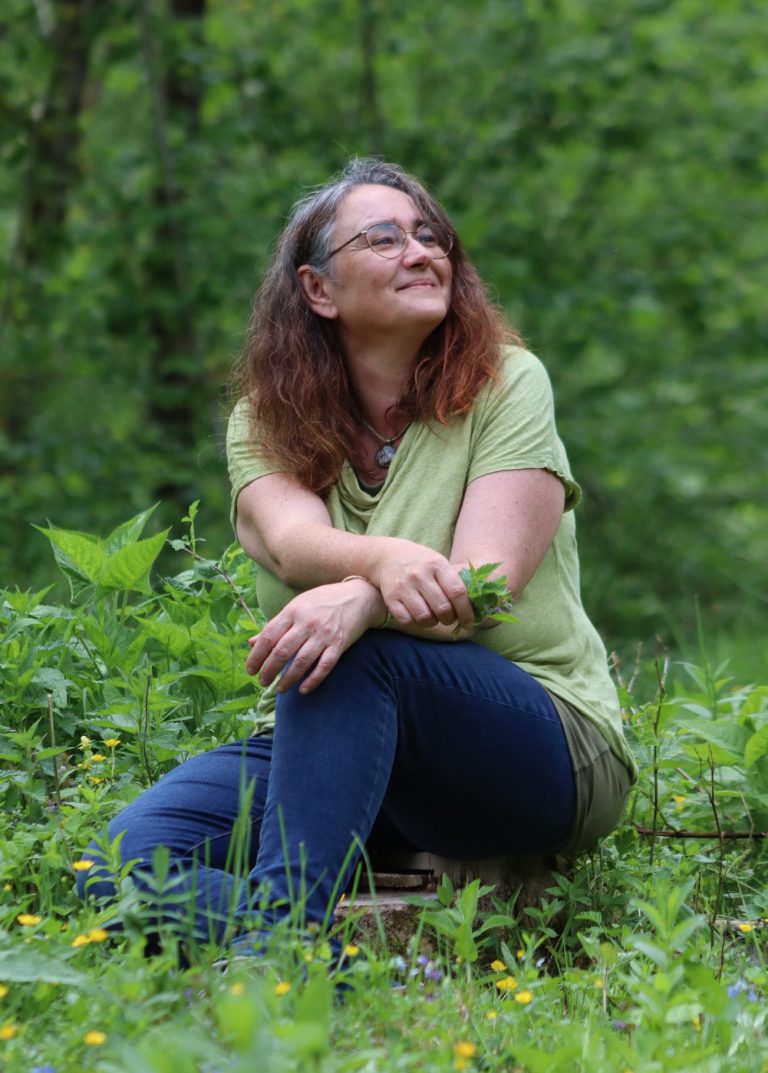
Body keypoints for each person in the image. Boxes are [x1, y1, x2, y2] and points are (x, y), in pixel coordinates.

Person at [77, 158, 636, 951]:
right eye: (384, 238)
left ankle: (274, 958)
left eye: (430, 234)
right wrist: (377, 571)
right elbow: (292, 541)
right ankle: (315, 959)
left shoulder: (508, 383)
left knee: (348, 654)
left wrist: (362, 602)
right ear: (318, 290)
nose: (421, 251)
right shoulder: (264, 420)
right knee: (121, 859)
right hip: (345, 750)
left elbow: (486, 580)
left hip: (547, 746)